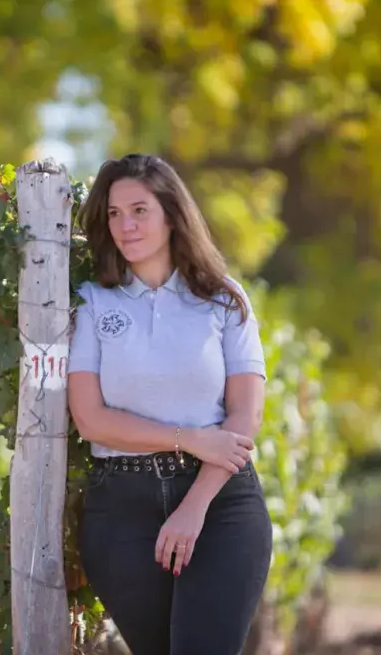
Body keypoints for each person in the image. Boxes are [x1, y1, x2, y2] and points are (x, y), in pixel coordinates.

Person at [67, 153, 273, 654]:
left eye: (139, 210)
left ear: (171, 214)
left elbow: (245, 417)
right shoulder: (93, 303)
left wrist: (194, 507)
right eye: (114, 214)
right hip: (121, 511)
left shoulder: (226, 301)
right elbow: (90, 419)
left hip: (220, 502)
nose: (125, 225)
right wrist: (189, 438)